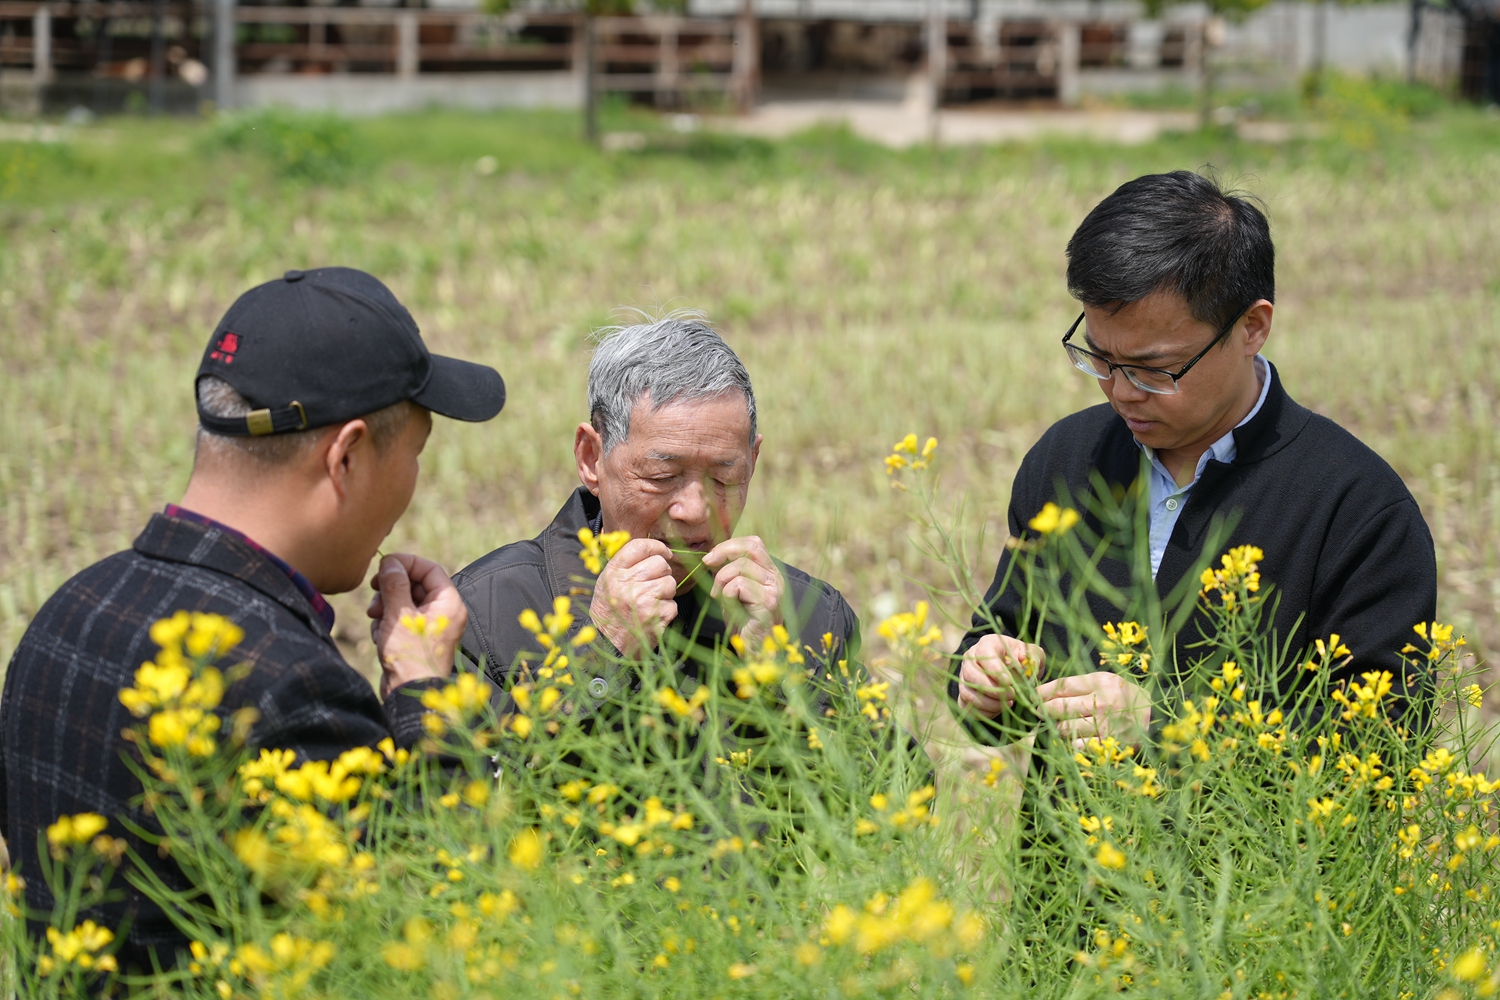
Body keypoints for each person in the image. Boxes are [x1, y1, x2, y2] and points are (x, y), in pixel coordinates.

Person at [0, 267, 506, 970]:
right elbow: (436, 923)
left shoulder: (66, 613)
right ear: (348, 456)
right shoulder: (289, 684)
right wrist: (426, 695)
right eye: (416, 452)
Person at [951, 171, 1437, 747]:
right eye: (1100, 357)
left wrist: (1170, 732)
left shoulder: (1356, 508)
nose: (1121, 391)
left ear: (1252, 327)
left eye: (1156, 369)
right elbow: (1005, 639)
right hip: (1070, 840)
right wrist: (983, 680)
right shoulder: (1066, 459)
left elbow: (1385, 744)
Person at [454, 314, 859, 710]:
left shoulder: (813, 616)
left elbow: (890, 773)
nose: (695, 511)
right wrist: (600, 657)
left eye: (725, 477)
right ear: (591, 457)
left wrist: (782, 677)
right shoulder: (480, 617)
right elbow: (476, 774)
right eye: (663, 475)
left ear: (752, 461)